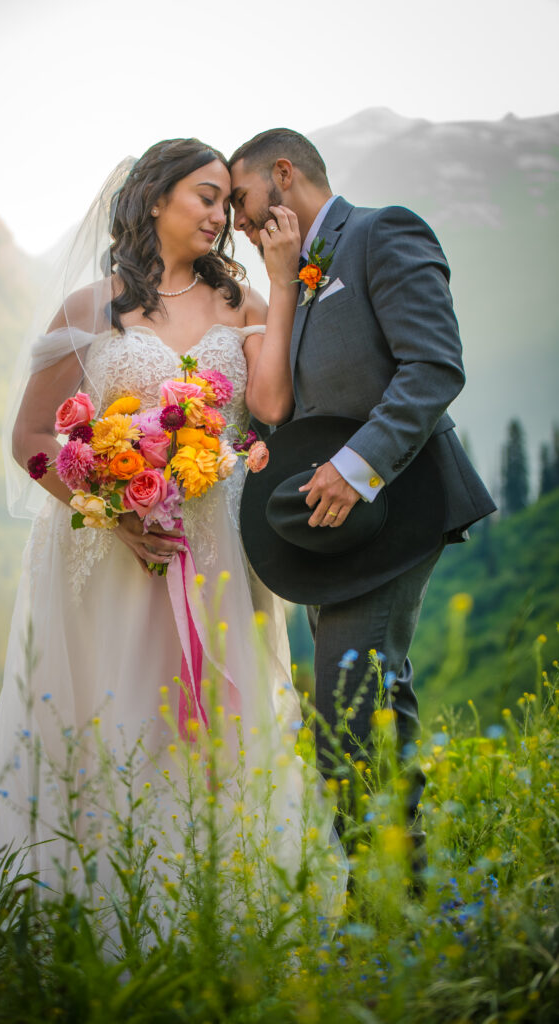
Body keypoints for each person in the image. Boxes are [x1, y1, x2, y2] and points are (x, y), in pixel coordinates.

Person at [0, 138, 347, 930]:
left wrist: (277, 283)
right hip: (113, 551)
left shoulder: (241, 302)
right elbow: (31, 435)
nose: (219, 215)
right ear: (153, 199)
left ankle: (218, 886)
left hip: (220, 550)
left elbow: (266, 409)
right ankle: (97, 885)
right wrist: (107, 509)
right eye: (203, 196)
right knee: (117, 710)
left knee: (219, 721)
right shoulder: (91, 309)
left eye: (225, 202)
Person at [230, 128, 496, 868]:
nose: (241, 225)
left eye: (245, 202)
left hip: (395, 503)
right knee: (370, 692)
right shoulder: (295, 266)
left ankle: (380, 894)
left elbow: (434, 367)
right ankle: (397, 886)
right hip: (333, 524)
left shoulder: (382, 232)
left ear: (283, 173)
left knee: (347, 705)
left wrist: (355, 466)